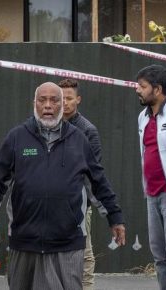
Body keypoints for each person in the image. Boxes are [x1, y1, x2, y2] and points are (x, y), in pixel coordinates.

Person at [0, 82, 126, 290]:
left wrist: (115, 217)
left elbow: (98, 182)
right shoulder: (17, 137)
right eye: (42, 100)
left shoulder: (79, 139)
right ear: (34, 104)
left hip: (67, 243)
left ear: (62, 104)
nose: (48, 105)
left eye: (54, 100)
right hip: (24, 241)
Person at [58, 78, 104, 290]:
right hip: (49, 204)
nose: (65, 102)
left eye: (69, 98)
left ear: (78, 99)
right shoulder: (47, 125)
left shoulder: (88, 131)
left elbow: (92, 173)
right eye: (61, 98)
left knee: (83, 256)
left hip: (79, 205)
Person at [136, 64, 166, 290]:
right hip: (152, 195)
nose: (137, 89)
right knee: (159, 257)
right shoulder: (142, 117)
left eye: (142, 86)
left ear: (157, 90)